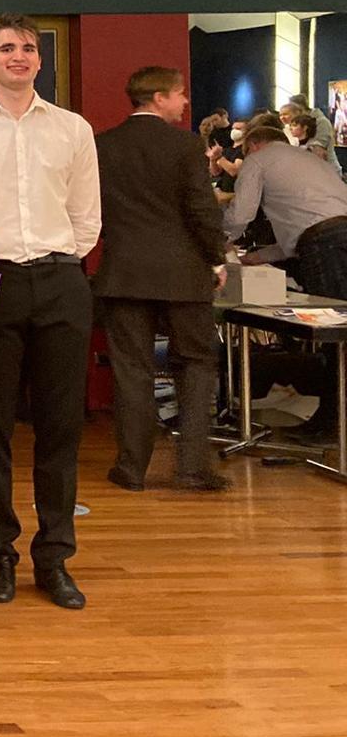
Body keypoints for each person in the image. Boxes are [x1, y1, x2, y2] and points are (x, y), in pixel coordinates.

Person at [0, 13, 100, 611]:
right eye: (6, 48)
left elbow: (86, 214)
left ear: (39, 59)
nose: (18, 56)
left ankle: (54, 557)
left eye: (28, 48)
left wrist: (62, 262)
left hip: (60, 278)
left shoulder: (72, 128)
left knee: (61, 425)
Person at [93, 67, 229, 494]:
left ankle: (131, 468)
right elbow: (201, 209)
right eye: (179, 94)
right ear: (158, 97)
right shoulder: (185, 145)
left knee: (131, 370)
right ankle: (192, 467)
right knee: (196, 365)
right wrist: (217, 260)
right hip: (183, 272)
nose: (184, 102)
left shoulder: (102, 144)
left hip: (123, 272)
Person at [223, 122, 347, 442]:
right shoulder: (309, 161)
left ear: (253, 145)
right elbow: (306, 227)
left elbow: (241, 215)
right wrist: (259, 256)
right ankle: (334, 420)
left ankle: (331, 422)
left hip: (323, 245)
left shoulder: (258, 160)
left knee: (333, 333)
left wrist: (217, 242)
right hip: (336, 235)